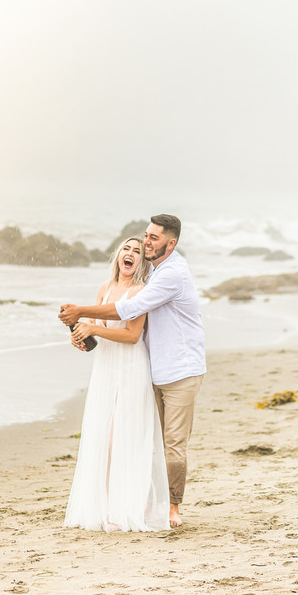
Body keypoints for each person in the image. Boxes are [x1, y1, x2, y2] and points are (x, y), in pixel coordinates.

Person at [60, 214, 205, 529]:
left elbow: (129, 314)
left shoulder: (171, 275)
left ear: (171, 243)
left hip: (180, 369)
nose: (146, 243)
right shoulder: (152, 270)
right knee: (144, 440)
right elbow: (105, 318)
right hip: (152, 368)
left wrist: (81, 313)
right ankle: (144, 503)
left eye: (152, 239)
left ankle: (172, 508)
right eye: (145, 237)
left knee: (172, 444)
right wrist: (82, 331)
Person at [63, 237, 170, 534]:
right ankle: (105, 506)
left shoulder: (141, 292)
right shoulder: (105, 288)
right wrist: (80, 336)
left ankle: (124, 508)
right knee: (102, 438)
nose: (131, 254)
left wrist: (93, 328)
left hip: (131, 368)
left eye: (137, 251)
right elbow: (94, 328)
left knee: (122, 438)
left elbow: (132, 336)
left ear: (142, 262)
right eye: (127, 249)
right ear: (118, 255)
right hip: (105, 368)